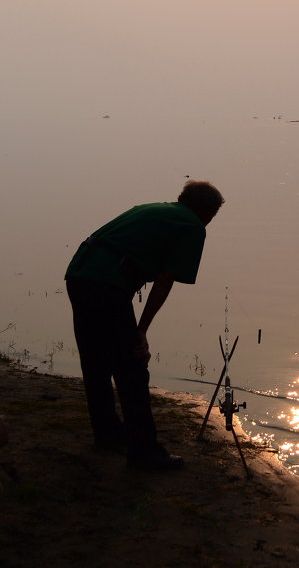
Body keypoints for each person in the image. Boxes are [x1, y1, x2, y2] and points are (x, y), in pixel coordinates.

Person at [65, 180, 224, 471]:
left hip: (79, 273)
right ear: (208, 212)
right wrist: (141, 330)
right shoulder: (192, 226)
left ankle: (108, 434)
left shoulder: (152, 209)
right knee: (132, 366)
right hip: (106, 283)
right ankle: (144, 452)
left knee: (96, 360)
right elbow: (165, 280)